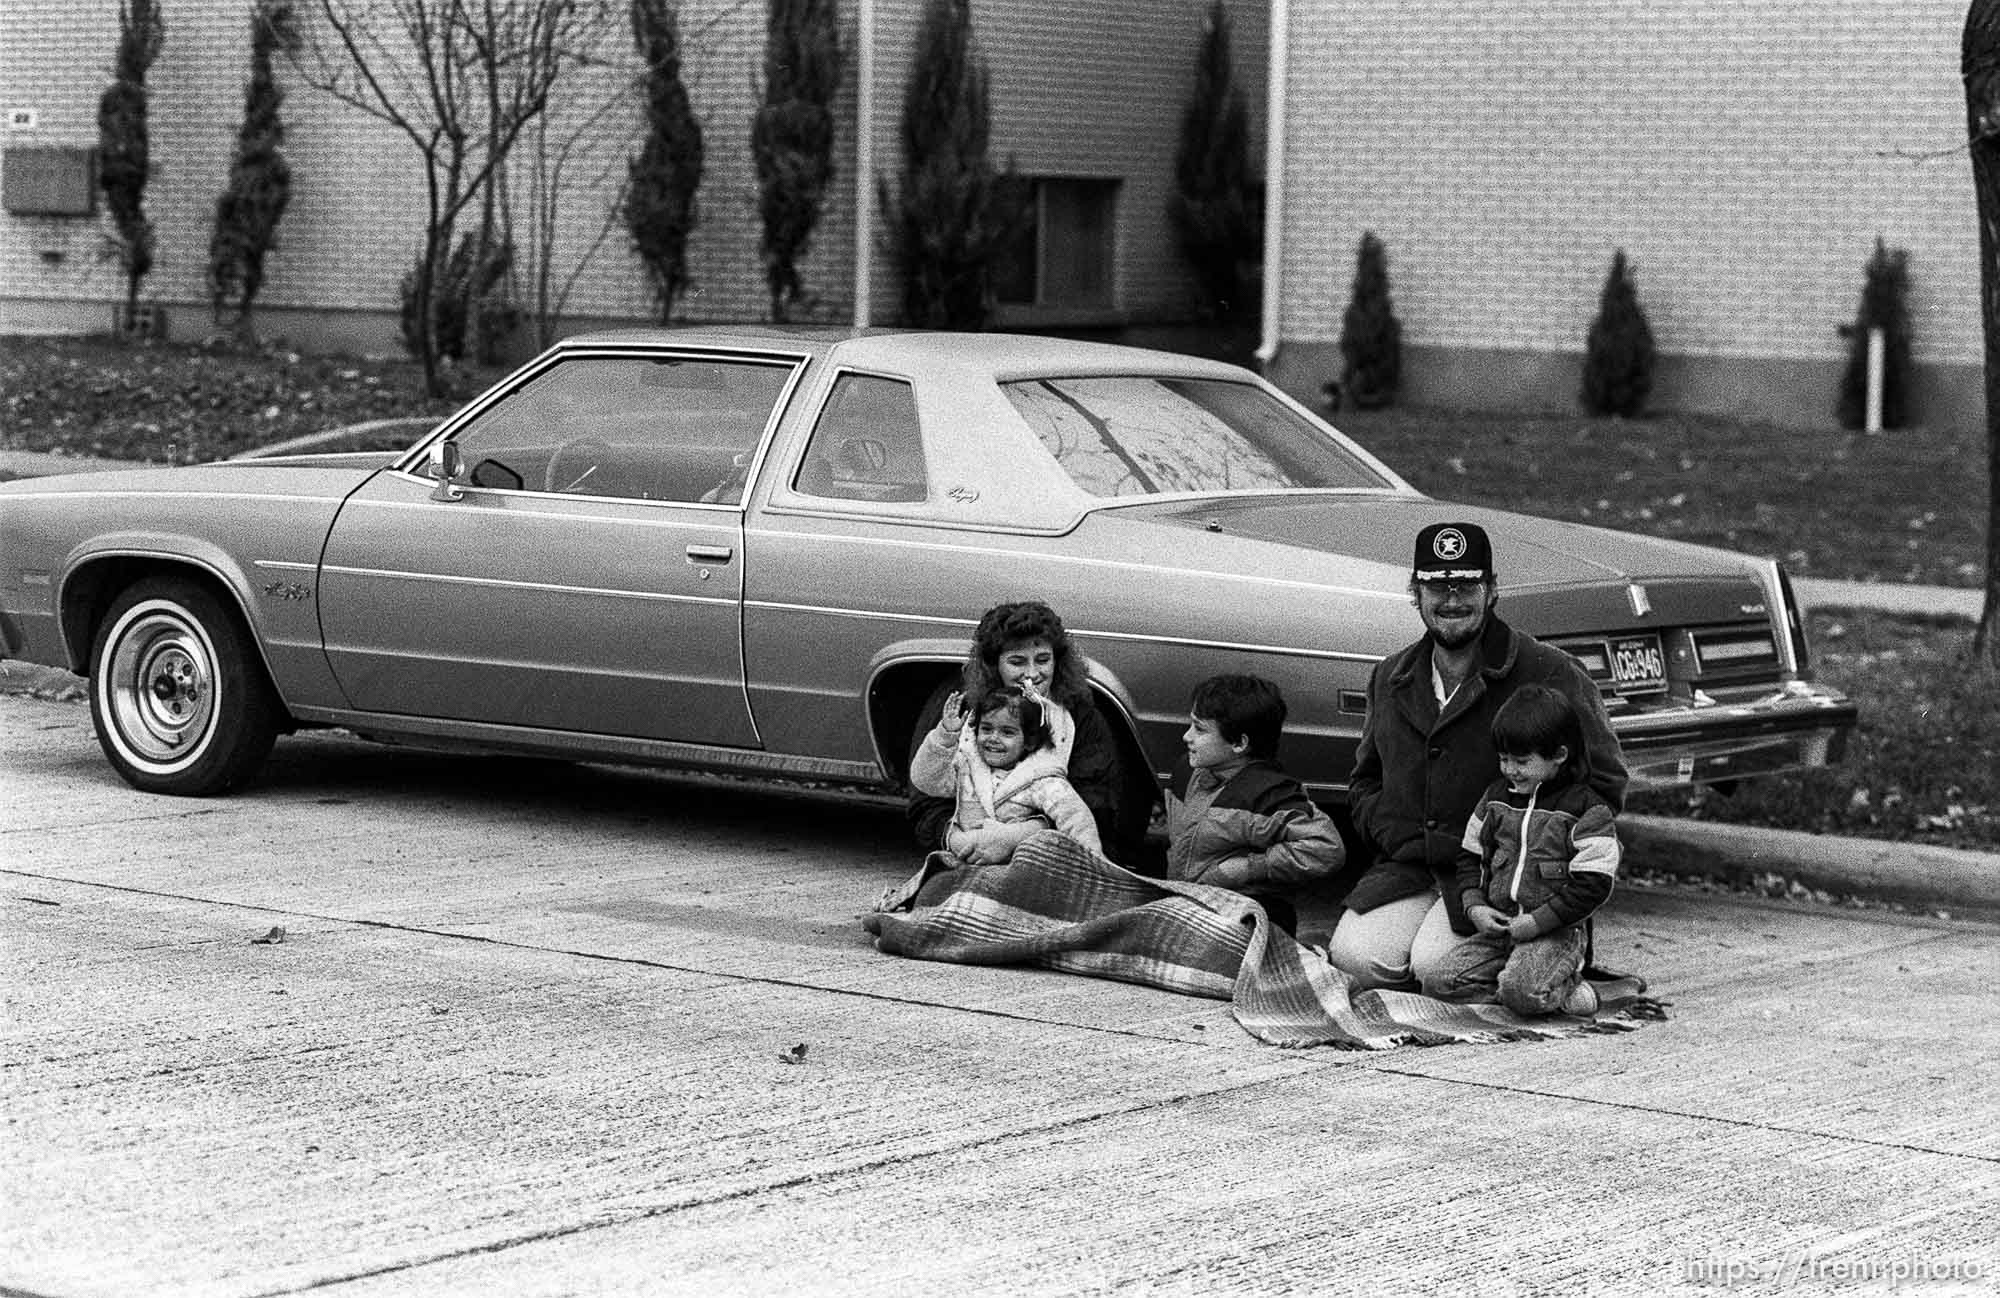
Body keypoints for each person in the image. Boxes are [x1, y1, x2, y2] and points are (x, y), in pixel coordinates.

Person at [1328, 520, 1628, 992]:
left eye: (1467, 585)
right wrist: (1389, 829)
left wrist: (1543, 871)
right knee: (1353, 961)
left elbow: (1605, 783)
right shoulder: (1390, 676)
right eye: (1437, 586)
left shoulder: (1551, 670)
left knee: (1435, 970)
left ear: (1492, 590)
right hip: (1408, 868)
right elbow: (1364, 780)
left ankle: (1553, 967)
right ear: (1415, 591)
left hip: (1504, 886)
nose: (1452, 600)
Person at [1421, 685, 1622, 1015]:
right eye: (1503, 759)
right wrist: (1474, 907)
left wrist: (1539, 922)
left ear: (1559, 755)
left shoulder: (1588, 811)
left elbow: (1594, 884)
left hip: (1555, 935)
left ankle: (1573, 990)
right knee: (1438, 982)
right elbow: (1470, 856)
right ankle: (1522, 995)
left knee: (1522, 991)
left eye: (1521, 761)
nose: (1510, 770)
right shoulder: (1495, 799)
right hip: (1500, 931)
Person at [908, 601, 1153, 867]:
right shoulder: (964, 713)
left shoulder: (1080, 717)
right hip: (969, 847)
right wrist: (957, 839)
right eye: (1017, 662)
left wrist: (1015, 838)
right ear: (993, 665)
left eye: (1043, 660)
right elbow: (924, 801)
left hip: (1048, 856)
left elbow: (1097, 808)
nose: (1033, 674)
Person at [1163, 674, 1343, 935]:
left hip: (1250, 914)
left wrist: (1249, 867)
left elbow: (1326, 848)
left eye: (1199, 729)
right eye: (1190, 725)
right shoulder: (1186, 772)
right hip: (1192, 904)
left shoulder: (1269, 795)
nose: (1186, 736)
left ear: (1239, 743)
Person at [908, 684, 1104, 861]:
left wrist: (1093, 859)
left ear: (1029, 741)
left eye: (1007, 732)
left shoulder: (1039, 779)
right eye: (986, 729)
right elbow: (926, 779)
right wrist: (945, 736)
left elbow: (1074, 815)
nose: (993, 738)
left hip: (1014, 862)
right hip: (966, 858)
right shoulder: (966, 768)